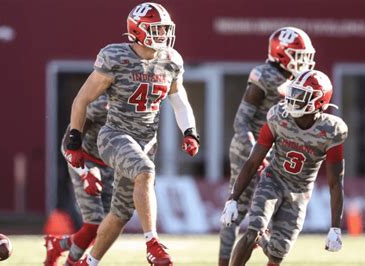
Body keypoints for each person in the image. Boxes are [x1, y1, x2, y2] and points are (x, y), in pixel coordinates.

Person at [65, 2, 200, 266]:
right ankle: (153, 243)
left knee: (121, 212)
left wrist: (190, 131)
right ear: (138, 30)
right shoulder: (116, 57)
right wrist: (74, 140)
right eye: (156, 28)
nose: (162, 34)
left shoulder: (170, 60)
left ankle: (88, 262)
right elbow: (81, 100)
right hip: (114, 135)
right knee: (145, 171)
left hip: (146, 142)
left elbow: (179, 99)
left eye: (164, 28)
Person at [221, 70, 348, 266]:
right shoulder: (279, 116)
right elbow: (254, 160)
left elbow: (335, 183)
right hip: (273, 179)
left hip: (299, 192)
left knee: (277, 254)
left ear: (318, 101)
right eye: (294, 92)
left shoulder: (331, 131)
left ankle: (264, 240)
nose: (293, 99)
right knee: (253, 230)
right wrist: (233, 198)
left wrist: (335, 228)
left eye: (301, 95)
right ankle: (258, 236)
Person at [218, 26, 316, 266]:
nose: (304, 62)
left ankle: (267, 249)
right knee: (236, 211)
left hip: (274, 152)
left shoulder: (295, 80)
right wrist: (256, 153)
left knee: (270, 213)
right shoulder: (265, 75)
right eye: (298, 55)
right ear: (281, 53)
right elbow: (241, 122)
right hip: (249, 149)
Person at [44, 95, 114, 266]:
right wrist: (85, 173)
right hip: (87, 163)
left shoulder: (139, 111)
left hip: (112, 166)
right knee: (94, 222)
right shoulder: (100, 107)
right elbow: (67, 145)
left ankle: (58, 245)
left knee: (108, 228)